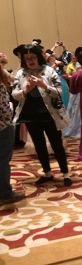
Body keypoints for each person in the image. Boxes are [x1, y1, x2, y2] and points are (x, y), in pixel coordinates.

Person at [12, 44, 72, 186]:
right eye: (27, 59)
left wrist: (43, 85)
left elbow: (59, 92)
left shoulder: (49, 71)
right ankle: (47, 173)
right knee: (39, 145)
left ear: (39, 57)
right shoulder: (20, 74)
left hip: (50, 115)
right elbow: (15, 95)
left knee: (56, 145)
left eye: (33, 57)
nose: (30, 61)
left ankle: (65, 173)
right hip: (30, 116)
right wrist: (25, 90)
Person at [0, 62, 25, 206]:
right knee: (3, 161)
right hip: (3, 127)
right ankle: (5, 192)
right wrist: (10, 108)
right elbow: (3, 110)